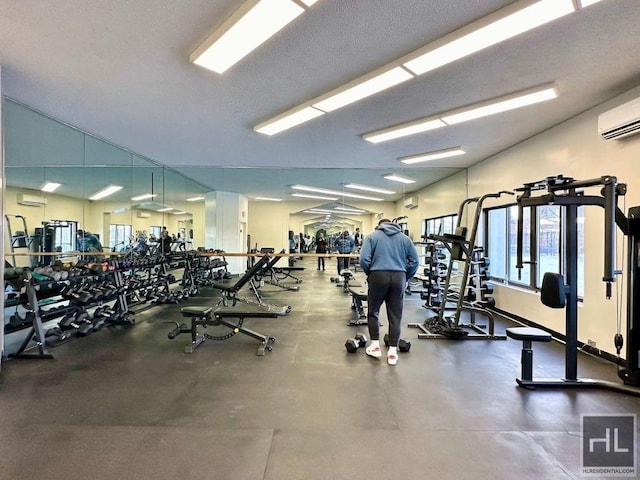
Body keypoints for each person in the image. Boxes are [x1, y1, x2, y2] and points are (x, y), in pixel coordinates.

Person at [359, 219, 419, 366]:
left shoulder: (372, 236)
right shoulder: (405, 238)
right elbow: (415, 261)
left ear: (379, 225)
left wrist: (371, 274)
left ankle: (375, 346)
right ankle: (392, 352)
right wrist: (406, 277)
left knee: (373, 311)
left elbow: (363, 259)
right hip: (399, 277)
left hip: (378, 275)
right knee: (395, 315)